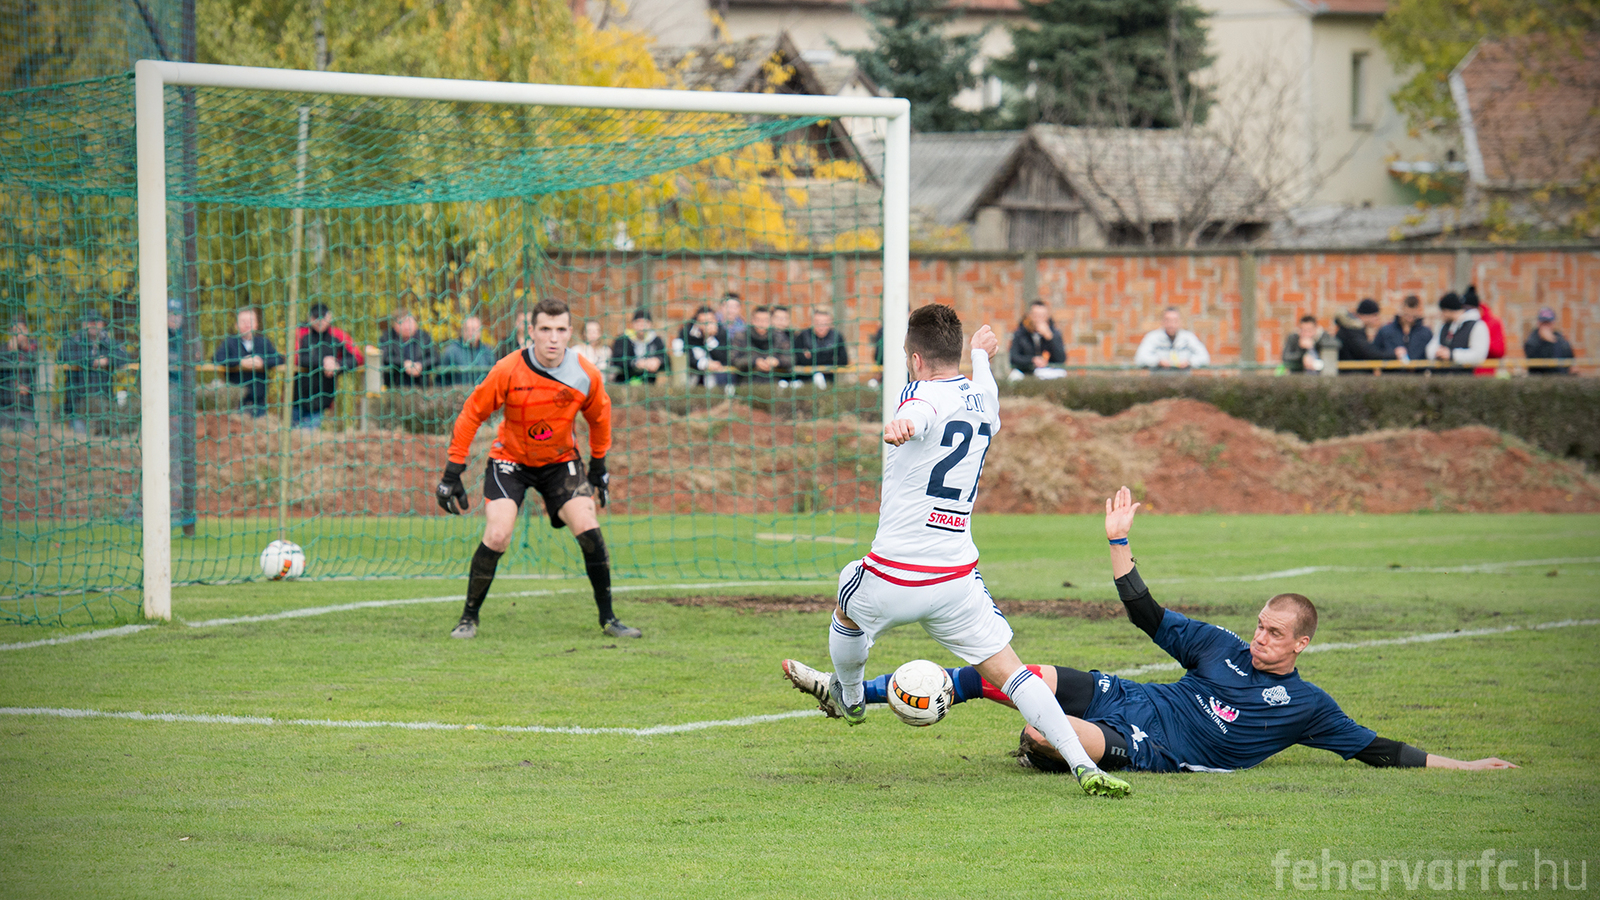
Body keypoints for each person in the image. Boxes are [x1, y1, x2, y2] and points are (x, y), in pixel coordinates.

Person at [793, 486, 1518, 776]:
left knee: (1044, 735)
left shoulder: (1307, 707)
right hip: (1132, 697)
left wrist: (1466, 768)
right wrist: (1119, 542)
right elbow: (1146, 614)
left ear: (1302, 645)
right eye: (1260, 625)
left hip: (1156, 747)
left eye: (1274, 634)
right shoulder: (1221, 647)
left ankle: (1041, 746)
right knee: (1016, 673)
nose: (1259, 638)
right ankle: (848, 689)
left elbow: (1378, 750)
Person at [780, 303, 1131, 798]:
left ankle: (852, 696)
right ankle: (1083, 764)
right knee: (1013, 672)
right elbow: (980, 389)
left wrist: (903, 424)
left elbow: (920, 411)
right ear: (957, 352)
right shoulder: (983, 400)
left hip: (894, 575)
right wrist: (982, 356)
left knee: (846, 599)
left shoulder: (919, 394)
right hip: (955, 581)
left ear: (916, 360)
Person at [434, 297, 641, 641]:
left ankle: (609, 619)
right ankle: (468, 618)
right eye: (545, 329)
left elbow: (600, 419)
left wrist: (599, 467)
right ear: (531, 331)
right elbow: (472, 413)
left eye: (560, 330)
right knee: (497, 535)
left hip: (560, 462)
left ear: (570, 332)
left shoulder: (585, 374)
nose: (553, 338)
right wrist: (452, 472)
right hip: (510, 461)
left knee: (589, 528)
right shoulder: (508, 368)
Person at [292, 302, 364, 429]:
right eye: (316, 317)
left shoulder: (338, 335)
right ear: (309, 318)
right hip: (297, 397)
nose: (319, 321)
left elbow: (357, 357)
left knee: (308, 434)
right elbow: (295, 357)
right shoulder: (300, 333)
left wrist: (338, 365)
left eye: (323, 317)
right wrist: (323, 362)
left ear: (329, 317)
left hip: (322, 398)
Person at [58, 311, 130, 436]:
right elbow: (63, 355)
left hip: (105, 404)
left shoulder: (108, 342)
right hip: (78, 405)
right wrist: (93, 361)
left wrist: (106, 360)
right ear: (83, 324)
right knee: (81, 439)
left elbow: (124, 356)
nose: (93, 325)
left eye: (96, 322)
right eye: (90, 322)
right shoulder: (73, 342)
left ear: (102, 324)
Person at [211, 307, 283, 416]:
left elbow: (279, 359)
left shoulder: (263, 342)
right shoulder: (230, 342)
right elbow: (216, 358)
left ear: (256, 324)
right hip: (235, 402)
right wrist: (240, 362)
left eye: (250, 321)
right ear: (236, 325)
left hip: (259, 401)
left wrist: (262, 362)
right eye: (243, 321)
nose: (247, 324)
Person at [1425, 292, 1487, 375]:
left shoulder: (1477, 326)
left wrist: (1452, 355)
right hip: (1441, 377)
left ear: (1447, 311)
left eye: (1442, 311)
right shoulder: (1444, 326)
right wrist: (1437, 352)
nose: (1441, 315)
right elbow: (1431, 347)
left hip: (1464, 378)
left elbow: (1479, 356)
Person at [731, 305, 792, 385]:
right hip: (747, 383)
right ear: (752, 320)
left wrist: (777, 361)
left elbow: (791, 359)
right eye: (758, 320)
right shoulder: (741, 336)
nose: (762, 323)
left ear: (771, 321)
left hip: (775, 382)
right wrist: (754, 362)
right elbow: (733, 359)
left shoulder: (779, 337)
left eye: (765, 320)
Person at [1134, 308, 1209, 372]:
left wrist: (1189, 362)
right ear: (1162, 322)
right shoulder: (1153, 337)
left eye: (1174, 321)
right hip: (1158, 382)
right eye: (1167, 320)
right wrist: (1158, 362)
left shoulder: (1188, 337)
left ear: (1180, 322)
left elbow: (1204, 357)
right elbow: (1140, 358)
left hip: (1183, 382)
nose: (1171, 325)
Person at [375, 308, 434, 389]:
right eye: (402, 323)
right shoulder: (386, 337)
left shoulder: (424, 337)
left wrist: (421, 365)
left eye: (409, 322)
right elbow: (385, 357)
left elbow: (434, 357)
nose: (407, 326)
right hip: (394, 387)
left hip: (421, 386)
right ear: (394, 325)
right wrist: (404, 363)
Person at [1008, 300, 1067, 379]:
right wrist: (1032, 360)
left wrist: (1050, 338)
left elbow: (1061, 359)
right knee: (1014, 376)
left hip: (1047, 370)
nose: (1039, 319)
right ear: (1030, 316)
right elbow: (1014, 357)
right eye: (1036, 315)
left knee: (1061, 373)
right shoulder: (1021, 334)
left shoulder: (1054, 333)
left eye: (1042, 316)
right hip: (1025, 371)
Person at [792, 306, 850, 386]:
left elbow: (843, 361)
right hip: (804, 380)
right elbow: (800, 360)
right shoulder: (802, 336)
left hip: (828, 382)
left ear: (830, 323)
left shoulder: (837, 336)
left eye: (825, 322)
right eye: (817, 322)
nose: (821, 326)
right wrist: (830, 358)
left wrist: (813, 357)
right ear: (812, 322)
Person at [0, 315, 38, 430]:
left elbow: (38, 375)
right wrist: (10, 351)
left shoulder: (33, 349)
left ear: (27, 331)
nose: (18, 334)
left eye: (21, 330)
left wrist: (27, 386)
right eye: (15, 331)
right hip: (6, 407)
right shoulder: (3, 350)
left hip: (26, 407)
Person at [1373, 294, 1432, 370]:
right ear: (1401, 311)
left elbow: (1430, 357)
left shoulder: (1425, 333)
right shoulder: (1386, 331)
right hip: (1390, 375)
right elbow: (1375, 353)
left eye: (1413, 316)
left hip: (1417, 375)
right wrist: (1393, 355)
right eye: (1406, 315)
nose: (1410, 319)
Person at [610, 309, 668, 384]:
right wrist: (636, 363)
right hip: (625, 382)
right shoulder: (623, 340)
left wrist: (658, 360)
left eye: (645, 322)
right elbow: (617, 360)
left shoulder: (656, 340)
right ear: (633, 324)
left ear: (650, 325)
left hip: (648, 383)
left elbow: (666, 358)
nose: (641, 326)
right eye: (638, 322)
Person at [437, 315, 497, 387]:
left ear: (480, 331)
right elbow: (441, 381)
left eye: (474, 329)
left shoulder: (488, 352)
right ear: (462, 331)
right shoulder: (451, 352)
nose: (471, 332)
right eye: (467, 329)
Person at [682, 305, 732, 388]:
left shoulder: (721, 332)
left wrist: (709, 338)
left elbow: (723, 357)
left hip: (717, 378)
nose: (707, 325)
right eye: (703, 322)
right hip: (694, 377)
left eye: (710, 321)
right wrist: (705, 364)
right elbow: (686, 356)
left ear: (715, 320)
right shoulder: (688, 333)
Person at [1462, 286, 1506, 376]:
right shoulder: (1462, 322)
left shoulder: (1493, 322)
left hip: (1486, 372)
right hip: (1466, 371)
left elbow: (1499, 351)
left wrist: (1480, 342)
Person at [1334, 298, 1384, 371]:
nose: (1377, 318)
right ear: (1365, 315)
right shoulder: (1352, 329)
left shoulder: (1352, 328)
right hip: (1349, 374)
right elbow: (1367, 353)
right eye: (1375, 315)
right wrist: (1394, 354)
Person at [1523, 307, 1574, 375]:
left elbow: (1569, 357)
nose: (1546, 326)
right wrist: (1548, 342)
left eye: (1548, 323)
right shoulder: (1532, 341)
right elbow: (1537, 362)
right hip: (1539, 379)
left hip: (1560, 377)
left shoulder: (1559, 338)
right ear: (1538, 323)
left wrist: (1553, 341)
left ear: (1553, 323)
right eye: (1544, 323)